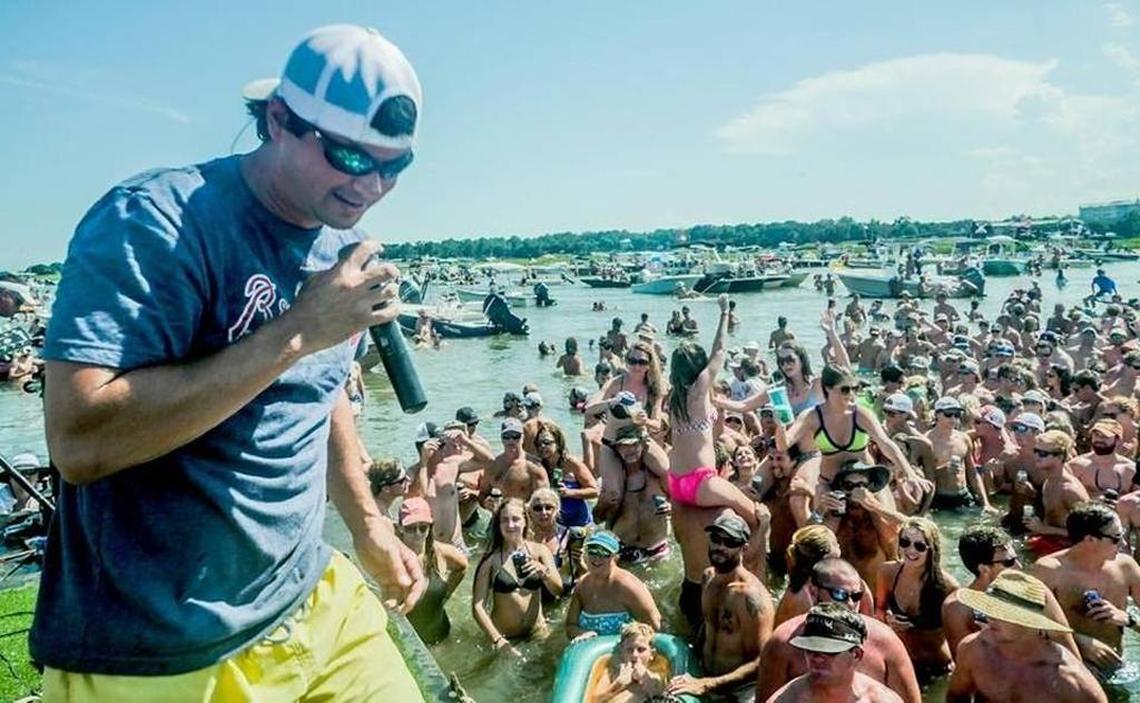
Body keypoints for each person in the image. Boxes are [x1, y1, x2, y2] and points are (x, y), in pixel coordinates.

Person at [32, 25, 428, 700]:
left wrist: (367, 525)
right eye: (349, 156)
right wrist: (298, 330)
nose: (371, 185)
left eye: (395, 165)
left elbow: (321, 389)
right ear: (277, 119)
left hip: (311, 596)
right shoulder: (155, 220)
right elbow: (80, 441)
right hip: (163, 647)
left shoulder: (342, 244)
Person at [757, 558, 921, 703]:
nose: (850, 603)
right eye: (839, 594)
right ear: (813, 591)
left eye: (855, 596)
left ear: (857, 654)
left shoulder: (885, 640)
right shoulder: (782, 642)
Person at [666, 295, 759, 530]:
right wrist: (724, 312)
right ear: (699, 367)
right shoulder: (698, 390)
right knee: (755, 513)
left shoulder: (674, 397)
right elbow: (719, 351)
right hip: (699, 482)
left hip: (675, 481)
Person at [948, 570, 1105, 703]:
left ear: (1030, 621)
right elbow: (956, 698)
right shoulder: (974, 650)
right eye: (989, 610)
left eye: (1001, 613)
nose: (990, 618)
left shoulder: (1072, 682)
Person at [664, 513, 774, 703]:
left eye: (730, 542)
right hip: (704, 676)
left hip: (740, 689)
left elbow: (762, 661)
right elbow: (706, 627)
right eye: (716, 539)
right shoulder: (708, 578)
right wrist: (691, 662)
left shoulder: (750, 598)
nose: (720, 547)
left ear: (744, 548)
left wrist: (707, 684)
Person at [1031, 501, 1140, 679]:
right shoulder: (1050, 570)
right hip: (1065, 668)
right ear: (1090, 539)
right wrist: (1079, 641)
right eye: (1116, 538)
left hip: (1116, 668)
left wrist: (1129, 620)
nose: (1124, 543)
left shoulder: (1126, 567)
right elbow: (1026, 623)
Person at [941, 525, 1076, 657]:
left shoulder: (1035, 592)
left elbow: (1067, 648)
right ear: (984, 569)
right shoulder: (958, 608)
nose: (1019, 567)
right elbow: (965, 662)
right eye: (1009, 562)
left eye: (1016, 559)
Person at [471, 499, 562, 656]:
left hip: (537, 632)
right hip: (504, 637)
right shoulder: (491, 560)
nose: (510, 525)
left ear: (525, 521)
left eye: (516, 519)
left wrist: (544, 573)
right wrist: (498, 640)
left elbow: (558, 590)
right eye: (504, 520)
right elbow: (478, 606)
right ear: (498, 525)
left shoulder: (540, 551)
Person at [873, 517, 959, 681]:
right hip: (902, 663)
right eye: (905, 542)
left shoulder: (948, 586)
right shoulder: (887, 573)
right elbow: (880, 609)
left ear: (932, 549)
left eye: (919, 546)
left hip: (937, 666)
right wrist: (887, 619)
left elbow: (957, 635)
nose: (911, 550)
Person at [766, 604, 904, 703]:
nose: (817, 658)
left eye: (829, 650)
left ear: (856, 655)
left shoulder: (881, 700)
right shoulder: (786, 700)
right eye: (811, 649)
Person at [564, 531, 662, 641]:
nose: (597, 558)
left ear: (615, 557)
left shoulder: (629, 587)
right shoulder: (582, 584)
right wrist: (582, 634)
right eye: (592, 551)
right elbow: (570, 625)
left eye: (604, 554)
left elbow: (655, 627)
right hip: (591, 649)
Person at [395, 498, 468, 645]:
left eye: (423, 528)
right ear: (400, 528)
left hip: (441, 635)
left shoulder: (441, 553)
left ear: (430, 527)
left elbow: (462, 566)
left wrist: (446, 595)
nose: (417, 533)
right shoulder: (392, 559)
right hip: (408, 642)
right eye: (411, 528)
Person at [589, 622, 669, 703]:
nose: (634, 655)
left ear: (652, 654)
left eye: (641, 650)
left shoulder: (656, 675)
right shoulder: (612, 673)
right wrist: (619, 684)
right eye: (629, 650)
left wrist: (645, 678)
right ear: (622, 653)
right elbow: (594, 700)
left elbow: (660, 694)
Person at [479, 418, 549, 503]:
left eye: (516, 436)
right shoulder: (493, 465)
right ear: (501, 438)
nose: (511, 440)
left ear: (523, 438)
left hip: (524, 510)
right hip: (498, 510)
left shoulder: (535, 467)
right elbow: (483, 494)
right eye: (506, 436)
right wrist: (486, 503)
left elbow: (544, 500)